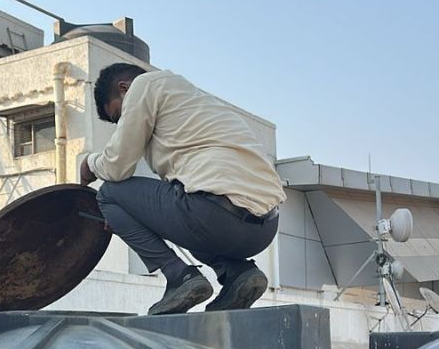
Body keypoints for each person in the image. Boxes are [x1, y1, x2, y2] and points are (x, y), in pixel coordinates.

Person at [79, 63, 285, 315]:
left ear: (124, 89)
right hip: (263, 229)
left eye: (119, 117)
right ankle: (238, 272)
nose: (123, 123)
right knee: (183, 204)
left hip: (214, 217)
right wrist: (129, 220)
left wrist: (89, 162)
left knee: (110, 194)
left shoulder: (144, 86)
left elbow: (117, 167)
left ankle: (180, 277)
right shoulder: (193, 103)